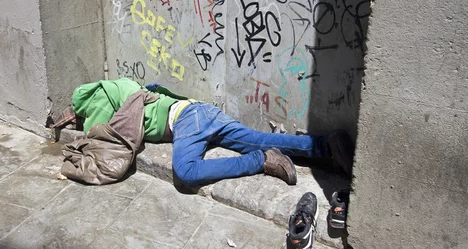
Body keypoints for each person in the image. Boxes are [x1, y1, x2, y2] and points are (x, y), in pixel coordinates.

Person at [70, 78, 353, 186]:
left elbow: (99, 138)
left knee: (185, 172)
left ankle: (262, 161)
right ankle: (326, 146)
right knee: (257, 138)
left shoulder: (104, 100)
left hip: (185, 121)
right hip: (200, 111)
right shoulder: (123, 88)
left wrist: (81, 133)